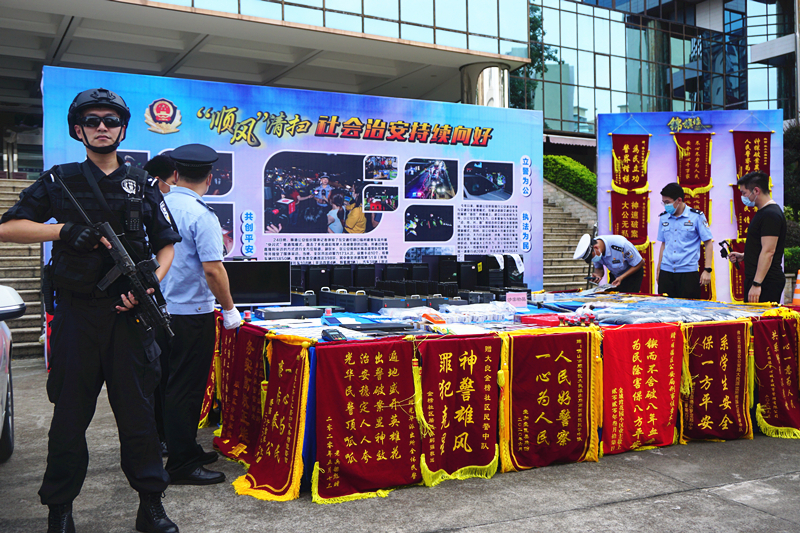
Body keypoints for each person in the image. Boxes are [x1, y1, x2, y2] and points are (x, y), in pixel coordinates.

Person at [0, 88, 181, 533]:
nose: (102, 127)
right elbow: (8, 228)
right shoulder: (58, 180)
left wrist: (150, 283)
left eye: (111, 120)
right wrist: (63, 231)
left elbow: (166, 246)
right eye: (92, 120)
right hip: (77, 318)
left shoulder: (142, 183)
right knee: (68, 420)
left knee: (139, 419)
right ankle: (60, 509)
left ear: (122, 128)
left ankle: (151, 505)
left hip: (129, 318)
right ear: (78, 130)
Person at [160, 144, 240, 486]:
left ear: (176, 174)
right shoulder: (200, 214)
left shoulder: (159, 205)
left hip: (160, 310)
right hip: (191, 313)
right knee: (187, 388)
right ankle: (182, 463)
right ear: (210, 178)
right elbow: (213, 269)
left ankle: (181, 446)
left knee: (166, 384)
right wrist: (230, 309)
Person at [143, 153, 179, 456]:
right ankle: (159, 436)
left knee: (161, 375)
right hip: (147, 305)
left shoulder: (163, 207)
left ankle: (162, 434)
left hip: (161, 303)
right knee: (158, 376)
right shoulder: (148, 206)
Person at [727, 171, 786, 303]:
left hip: (766, 282)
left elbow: (769, 251)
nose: (743, 197)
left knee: (761, 317)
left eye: (744, 193)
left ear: (756, 191)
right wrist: (745, 255)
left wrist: (757, 284)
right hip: (757, 279)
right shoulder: (763, 212)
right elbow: (761, 246)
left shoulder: (771, 214)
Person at [655, 182, 714, 299]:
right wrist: (659, 268)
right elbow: (664, 244)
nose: (665, 206)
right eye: (663, 202)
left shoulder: (696, 216)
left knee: (689, 308)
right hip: (666, 272)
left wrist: (707, 269)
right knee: (665, 307)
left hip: (688, 273)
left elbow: (708, 243)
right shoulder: (664, 217)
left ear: (679, 200)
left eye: (667, 202)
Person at [573, 233, 644, 293]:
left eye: (592, 257)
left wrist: (621, 277)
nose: (592, 259)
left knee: (628, 300)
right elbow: (599, 269)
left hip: (632, 275)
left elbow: (640, 263)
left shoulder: (621, 244)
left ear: (596, 247)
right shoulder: (595, 251)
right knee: (611, 298)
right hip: (615, 276)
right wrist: (597, 276)